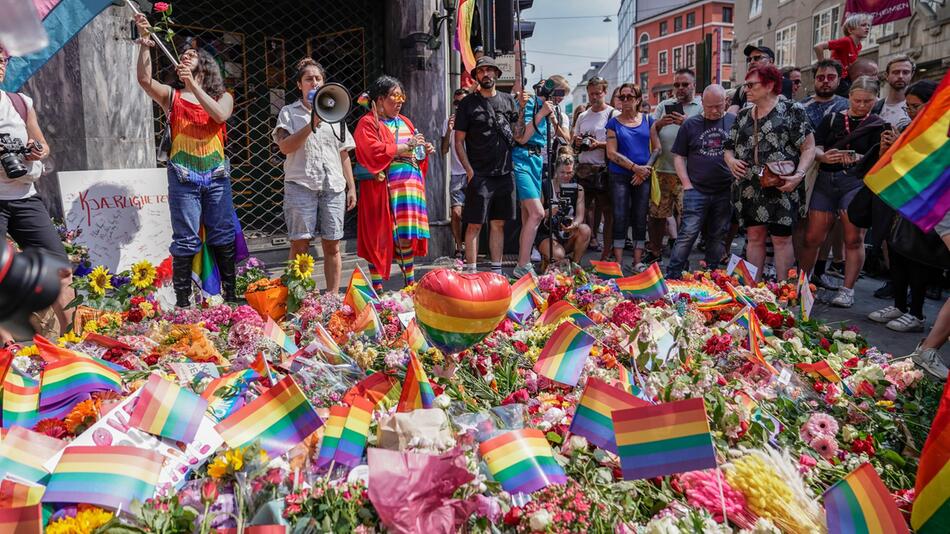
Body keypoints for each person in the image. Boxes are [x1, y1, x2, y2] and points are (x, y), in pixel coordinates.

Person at [135, 14, 239, 306]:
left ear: (205, 65)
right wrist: (144, 42)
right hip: (183, 176)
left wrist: (193, 85)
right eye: (184, 53)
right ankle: (183, 300)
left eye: (193, 53)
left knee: (222, 233)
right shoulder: (173, 97)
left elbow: (219, 115)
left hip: (216, 176)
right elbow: (144, 80)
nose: (187, 54)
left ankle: (229, 295)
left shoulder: (224, 96)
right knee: (186, 239)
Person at [0, 46, 74, 343]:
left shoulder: (20, 102)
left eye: (1, 60)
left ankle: (78, 344)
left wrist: (36, 151)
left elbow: (41, 143)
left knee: (61, 272)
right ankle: (6, 347)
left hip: (26, 197)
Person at [798, 76, 886, 307]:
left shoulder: (879, 124)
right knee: (813, 236)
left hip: (855, 182)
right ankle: (801, 283)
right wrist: (823, 156)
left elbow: (882, 158)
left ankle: (847, 290)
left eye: (868, 101)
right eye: (857, 100)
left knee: (853, 238)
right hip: (826, 179)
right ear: (849, 98)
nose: (861, 105)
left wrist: (860, 158)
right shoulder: (833, 119)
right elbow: (813, 146)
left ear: (875, 99)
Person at [724, 65, 816, 281]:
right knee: (754, 236)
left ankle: (782, 291)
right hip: (748, 185)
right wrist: (730, 161)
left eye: (751, 84)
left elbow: (809, 148)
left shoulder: (793, 110)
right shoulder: (744, 115)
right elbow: (728, 146)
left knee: (781, 239)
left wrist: (799, 175)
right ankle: (753, 290)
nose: (746, 89)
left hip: (782, 183)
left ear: (770, 85)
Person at [273, 58, 357, 294]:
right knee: (300, 243)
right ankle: (298, 297)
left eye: (318, 78)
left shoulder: (336, 113)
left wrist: (351, 187)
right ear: (299, 84)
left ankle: (331, 297)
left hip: (333, 187)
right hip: (301, 185)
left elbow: (343, 154)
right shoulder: (288, 113)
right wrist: (312, 123)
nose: (314, 82)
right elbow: (285, 147)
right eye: (309, 79)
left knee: (333, 244)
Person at [869, 80, 941, 334]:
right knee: (897, 250)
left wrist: (903, 147)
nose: (911, 112)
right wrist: (889, 149)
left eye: (916, 107)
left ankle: (916, 313)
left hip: (929, 203)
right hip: (903, 197)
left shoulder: (941, 131)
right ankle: (899, 304)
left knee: (917, 257)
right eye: (908, 108)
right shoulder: (912, 128)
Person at [353, 75, 432, 291]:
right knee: (380, 236)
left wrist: (423, 152)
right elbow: (372, 151)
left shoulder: (406, 122)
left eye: (401, 96)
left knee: (405, 237)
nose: (399, 101)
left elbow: (414, 151)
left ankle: (410, 286)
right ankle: (378, 289)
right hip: (383, 190)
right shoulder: (368, 123)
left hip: (409, 187)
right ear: (379, 100)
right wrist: (406, 147)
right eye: (394, 96)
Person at [454, 56, 519, 274]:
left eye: (490, 70)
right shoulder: (467, 104)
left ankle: (497, 272)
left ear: (497, 75)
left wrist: (526, 109)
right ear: (476, 76)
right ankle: (471, 272)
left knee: (498, 223)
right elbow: (458, 141)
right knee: (474, 223)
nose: (486, 74)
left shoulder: (509, 101)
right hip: (479, 173)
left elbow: (518, 135)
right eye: (481, 71)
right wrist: (469, 170)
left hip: (504, 171)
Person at [666, 85, 735, 278]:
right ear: (702, 103)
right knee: (688, 233)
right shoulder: (691, 124)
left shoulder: (733, 122)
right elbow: (679, 156)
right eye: (709, 106)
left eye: (718, 106)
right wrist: (687, 184)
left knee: (718, 234)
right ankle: (673, 273)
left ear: (726, 103)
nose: (714, 111)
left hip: (724, 189)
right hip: (696, 189)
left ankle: (711, 273)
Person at [511, 76, 567, 278]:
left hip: (536, 161)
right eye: (559, 94)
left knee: (528, 217)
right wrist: (541, 113)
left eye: (563, 96)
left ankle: (522, 262)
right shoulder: (529, 103)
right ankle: (522, 264)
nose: (560, 99)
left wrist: (551, 118)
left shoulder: (553, 110)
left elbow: (564, 140)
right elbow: (522, 137)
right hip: (521, 157)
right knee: (537, 213)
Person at [648, 68, 702, 264]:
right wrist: (660, 124)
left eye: (684, 84)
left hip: (687, 173)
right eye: (677, 85)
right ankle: (654, 252)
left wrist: (686, 123)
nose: (680, 88)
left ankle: (682, 257)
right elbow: (652, 130)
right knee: (656, 215)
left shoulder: (701, 106)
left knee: (686, 216)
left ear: (693, 86)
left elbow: (704, 134)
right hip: (662, 169)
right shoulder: (664, 105)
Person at [606, 83, 656, 272]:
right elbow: (611, 153)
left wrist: (646, 170)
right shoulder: (613, 123)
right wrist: (635, 168)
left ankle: (637, 261)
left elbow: (657, 148)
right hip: (619, 175)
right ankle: (618, 263)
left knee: (640, 216)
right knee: (620, 216)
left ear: (637, 99)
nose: (625, 100)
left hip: (643, 176)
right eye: (622, 97)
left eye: (629, 97)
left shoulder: (648, 120)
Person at [572, 76, 614, 258]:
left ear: (605, 92)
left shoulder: (613, 114)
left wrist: (599, 144)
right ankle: (579, 250)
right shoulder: (583, 116)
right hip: (584, 169)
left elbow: (618, 144)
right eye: (591, 94)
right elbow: (573, 142)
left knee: (607, 211)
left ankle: (606, 252)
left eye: (598, 93)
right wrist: (578, 141)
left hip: (603, 169)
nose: (594, 97)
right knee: (581, 211)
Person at [536, 148, 592, 265]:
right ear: (555, 170)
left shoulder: (578, 189)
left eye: (569, 172)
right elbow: (537, 215)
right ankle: (551, 258)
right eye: (562, 172)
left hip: (567, 232)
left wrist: (574, 225)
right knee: (559, 255)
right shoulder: (545, 185)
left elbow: (580, 216)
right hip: (547, 233)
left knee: (585, 230)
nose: (566, 176)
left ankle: (575, 265)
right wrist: (549, 211)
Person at [441, 87, 469, 259]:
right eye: (456, 103)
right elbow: (444, 150)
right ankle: (459, 247)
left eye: (462, 102)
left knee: (473, 214)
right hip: (457, 174)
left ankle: (470, 246)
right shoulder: (448, 121)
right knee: (457, 213)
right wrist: (449, 130)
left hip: (472, 172)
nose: (459, 106)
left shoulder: (473, 120)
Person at [814, 12, 872, 94]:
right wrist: (823, 66)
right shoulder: (846, 41)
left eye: (868, 25)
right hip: (839, 79)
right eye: (863, 25)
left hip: (847, 78)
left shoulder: (858, 46)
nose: (867, 28)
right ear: (850, 29)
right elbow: (818, 47)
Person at [727, 45, 793, 114]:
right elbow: (731, 114)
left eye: (757, 58)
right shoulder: (742, 89)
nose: (752, 62)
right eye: (749, 59)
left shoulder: (783, 83)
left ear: (770, 61)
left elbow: (782, 108)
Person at [872, 55, 914, 130]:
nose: (900, 76)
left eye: (905, 72)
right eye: (896, 72)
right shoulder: (875, 107)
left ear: (912, 75)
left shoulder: (917, 107)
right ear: (886, 75)